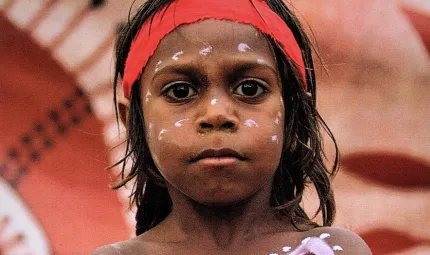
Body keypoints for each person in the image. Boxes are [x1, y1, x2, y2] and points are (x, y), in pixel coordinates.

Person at [92, 0, 371, 254]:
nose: (217, 114)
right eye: (180, 91)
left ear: (293, 117)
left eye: (249, 89)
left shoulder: (332, 251)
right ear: (134, 123)